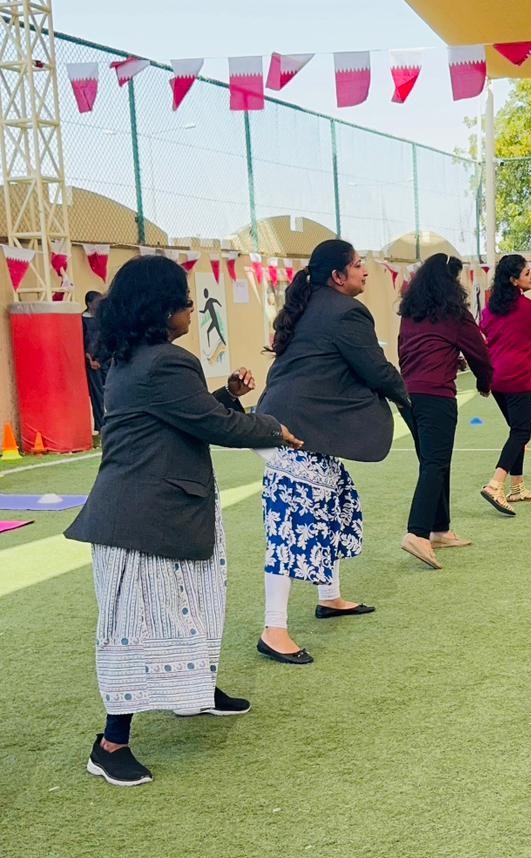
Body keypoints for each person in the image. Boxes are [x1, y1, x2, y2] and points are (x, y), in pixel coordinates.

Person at [64, 255, 302, 787]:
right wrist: (272, 428)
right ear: (159, 308)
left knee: (194, 606)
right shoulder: (166, 362)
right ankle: (110, 745)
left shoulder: (131, 358)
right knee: (133, 628)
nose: (192, 309)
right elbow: (211, 425)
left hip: (158, 512)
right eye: (185, 301)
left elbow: (184, 413)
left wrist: (227, 396)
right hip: (141, 521)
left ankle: (194, 692)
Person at [255, 239, 410, 665]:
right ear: (338, 277)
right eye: (358, 265)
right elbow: (375, 369)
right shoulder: (346, 312)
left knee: (337, 503)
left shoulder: (313, 305)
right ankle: (273, 630)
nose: (365, 270)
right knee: (291, 527)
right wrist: (410, 401)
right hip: (290, 432)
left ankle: (330, 597)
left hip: (295, 425)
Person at [397, 253, 493, 569]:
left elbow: (406, 352)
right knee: (435, 463)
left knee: (434, 461)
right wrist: (484, 382)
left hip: (408, 395)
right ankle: (417, 533)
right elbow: (479, 353)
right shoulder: (455, 314)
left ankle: (440, 529)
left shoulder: (410, 313)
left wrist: (447, 359)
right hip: (436, 396)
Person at [479, 254, 531, 515]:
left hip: (496, 381)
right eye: (526, 273)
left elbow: (484, 332)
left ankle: (517, 488)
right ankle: (495, 485)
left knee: (516, 431)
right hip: (517, 380)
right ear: (514, 280)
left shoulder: (490, 310)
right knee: (521, 433)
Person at [82, 290, 107, 432]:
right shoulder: (82, 320)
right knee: (97, 395)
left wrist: (102, 358)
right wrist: (90, 359)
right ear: (89, 304)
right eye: (97, 302)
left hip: (106, 359)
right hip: (91, 362)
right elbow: (83, 342)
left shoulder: (103, 318)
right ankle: (100, 425)